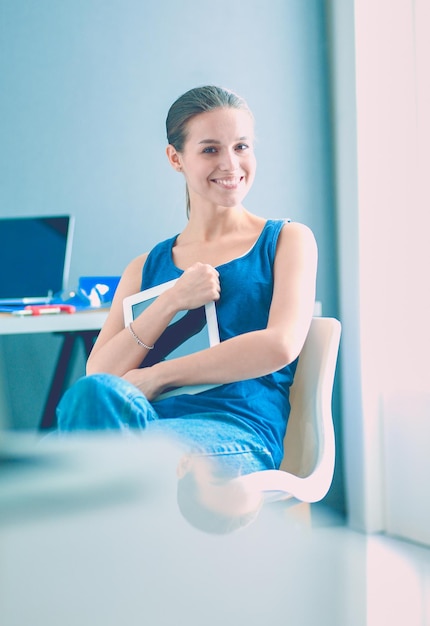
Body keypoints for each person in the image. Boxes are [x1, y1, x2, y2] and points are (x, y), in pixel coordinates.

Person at [56, 85, 317, 490]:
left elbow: (279, 345)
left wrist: (158, 377)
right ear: (175, 158)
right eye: (210, 149)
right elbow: (100, 375)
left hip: (235, 428)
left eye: (241, 146)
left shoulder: (287, 240)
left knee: (74, 462)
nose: (231, 164)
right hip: (143, 422)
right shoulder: (145, 266)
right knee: (89, 402)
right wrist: (172, 300)